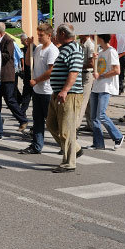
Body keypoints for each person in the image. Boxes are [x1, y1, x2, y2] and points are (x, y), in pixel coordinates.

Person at [46, 24, 84, 173]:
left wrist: (65, 90)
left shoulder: (74, 49)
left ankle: (69, 163)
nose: (55, 34)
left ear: (62, 33)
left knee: (66, 130)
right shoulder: (63, 48)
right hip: (58, 93)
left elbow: (74, 72)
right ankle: (76, 148)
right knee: (51, 124)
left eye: (57, 32)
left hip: (69, 95)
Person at [19, 23, 59, 154]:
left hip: (48, 91)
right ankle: (36, 145)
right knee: (37, 120)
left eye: (41, 35)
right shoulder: (38, 48)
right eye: (38, 35)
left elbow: (51, 70)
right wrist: (30, 46)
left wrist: (36, 80)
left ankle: (67, 144)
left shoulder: (52, 50)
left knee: (52, 122)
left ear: (49, 35)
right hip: (37, 91)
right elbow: (28, 62)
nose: (39, 37)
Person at [88, 34, 124, 150]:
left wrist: (102, 76)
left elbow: (117, 70)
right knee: (94, 117)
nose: (94, 40)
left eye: (96, 38)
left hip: (106, 87)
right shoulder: (99, 51)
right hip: (97, 86)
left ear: (101, 39)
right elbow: (97, 70)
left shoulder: (111, 52)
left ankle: (118, 136)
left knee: (101, 115)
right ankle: (98, 143)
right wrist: (94, 60)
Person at [0, 22, 28, 132]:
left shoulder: (8, 40)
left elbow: (8, 55)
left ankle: (22, 119)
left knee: (10, 99)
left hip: (7, 75)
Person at [77, 35, 96, 130]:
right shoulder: (80, 43)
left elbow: (91, 64)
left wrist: (77, 65)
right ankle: (91, 124)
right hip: (81, 74)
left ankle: (75, 126)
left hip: (87, 74)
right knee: (87, 102)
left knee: (82, 101)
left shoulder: (90, 45)